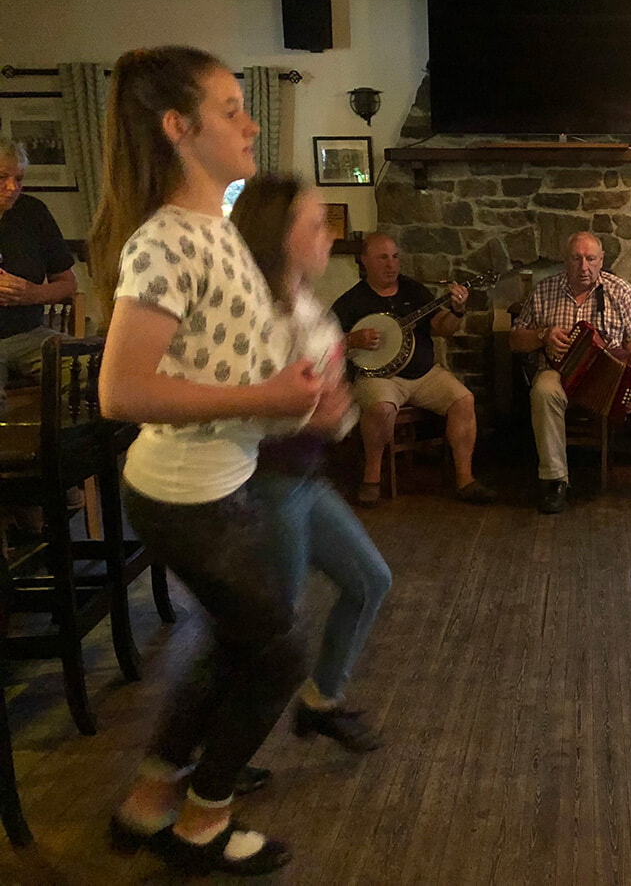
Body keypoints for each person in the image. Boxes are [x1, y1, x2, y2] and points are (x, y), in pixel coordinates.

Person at [94, 46, 332, 876]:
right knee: (280, 653)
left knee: (238, 645)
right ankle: (204, 819)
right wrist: (268, 397)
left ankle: (149, 799)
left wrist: (293, 392)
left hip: (220, 484)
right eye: (231, 109)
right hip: (187, 496)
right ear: (179, 127)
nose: (250, 123)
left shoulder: (216, 231)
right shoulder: (166, 241)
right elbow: (121, 390)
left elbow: (224, 360)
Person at [231, 173, 391, 754]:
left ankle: (322, 701)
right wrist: (312, 414)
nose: (331, 236)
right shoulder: (252, 313)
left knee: (369, 581)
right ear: (280, 235)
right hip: (268, 484)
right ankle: (214, 761)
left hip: (303, 479)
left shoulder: (302, 302)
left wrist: (329, 407)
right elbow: (239, 408)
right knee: (274, 630)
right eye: (317, 225)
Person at [509, 231, 631, 514]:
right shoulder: (544, 290)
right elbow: (514, 340)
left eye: (590, 259)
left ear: (601, 260)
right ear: (565, 260)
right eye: (576, 259)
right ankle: (556, 480)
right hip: (560, 374)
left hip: (611, 376)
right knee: (543, 390)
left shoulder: (619, 290)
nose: (584, 266)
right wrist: (543, 335)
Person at [331, 232, 496, 507]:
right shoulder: (351, 301)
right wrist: (353, 339)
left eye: (395, 257)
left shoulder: (414, 291)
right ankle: (371, 477)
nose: (391, 265)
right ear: (364, 261)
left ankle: (465, 479)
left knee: (464, 400)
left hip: (424, 374)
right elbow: (327, 341)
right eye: (382, 258)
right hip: (379, 377)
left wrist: (457, 311)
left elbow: (444, 329)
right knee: (381, 408)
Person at [0, 135, 78, 416]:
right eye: (2, 177)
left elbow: (68, 284)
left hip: (31, 334)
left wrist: (32, 293)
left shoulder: (33, 212)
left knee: (96, 367)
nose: (12, 187)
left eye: (19, 179)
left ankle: (68, 442)